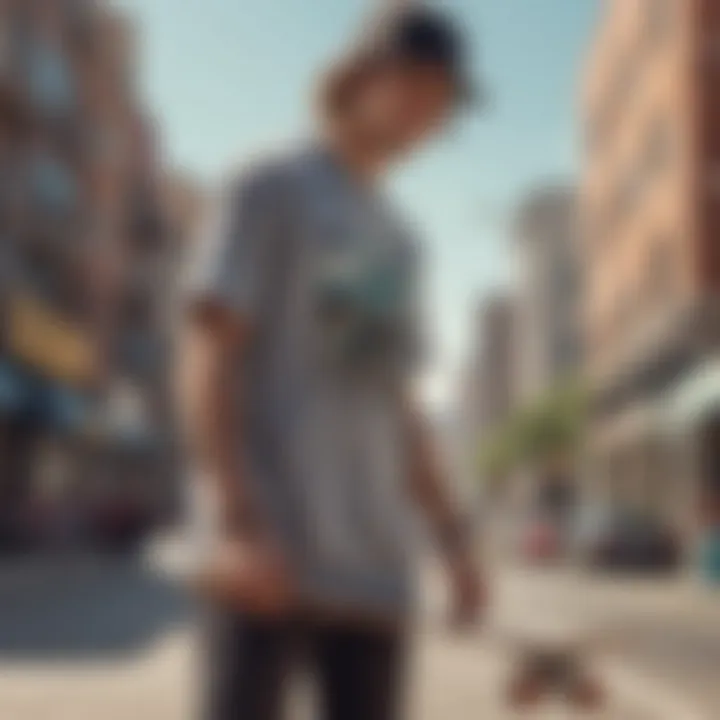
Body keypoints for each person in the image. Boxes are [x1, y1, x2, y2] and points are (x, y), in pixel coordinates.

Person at [177, 5, 486, 719]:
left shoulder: (397, 237)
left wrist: (455, 544)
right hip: (269, 560)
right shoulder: (273, 184)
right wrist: (235, 522)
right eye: (415, 84)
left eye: (444, 100)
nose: (428, 112)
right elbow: (209, 351)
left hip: (372, 574)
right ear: (359, 76)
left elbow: (391, 404)